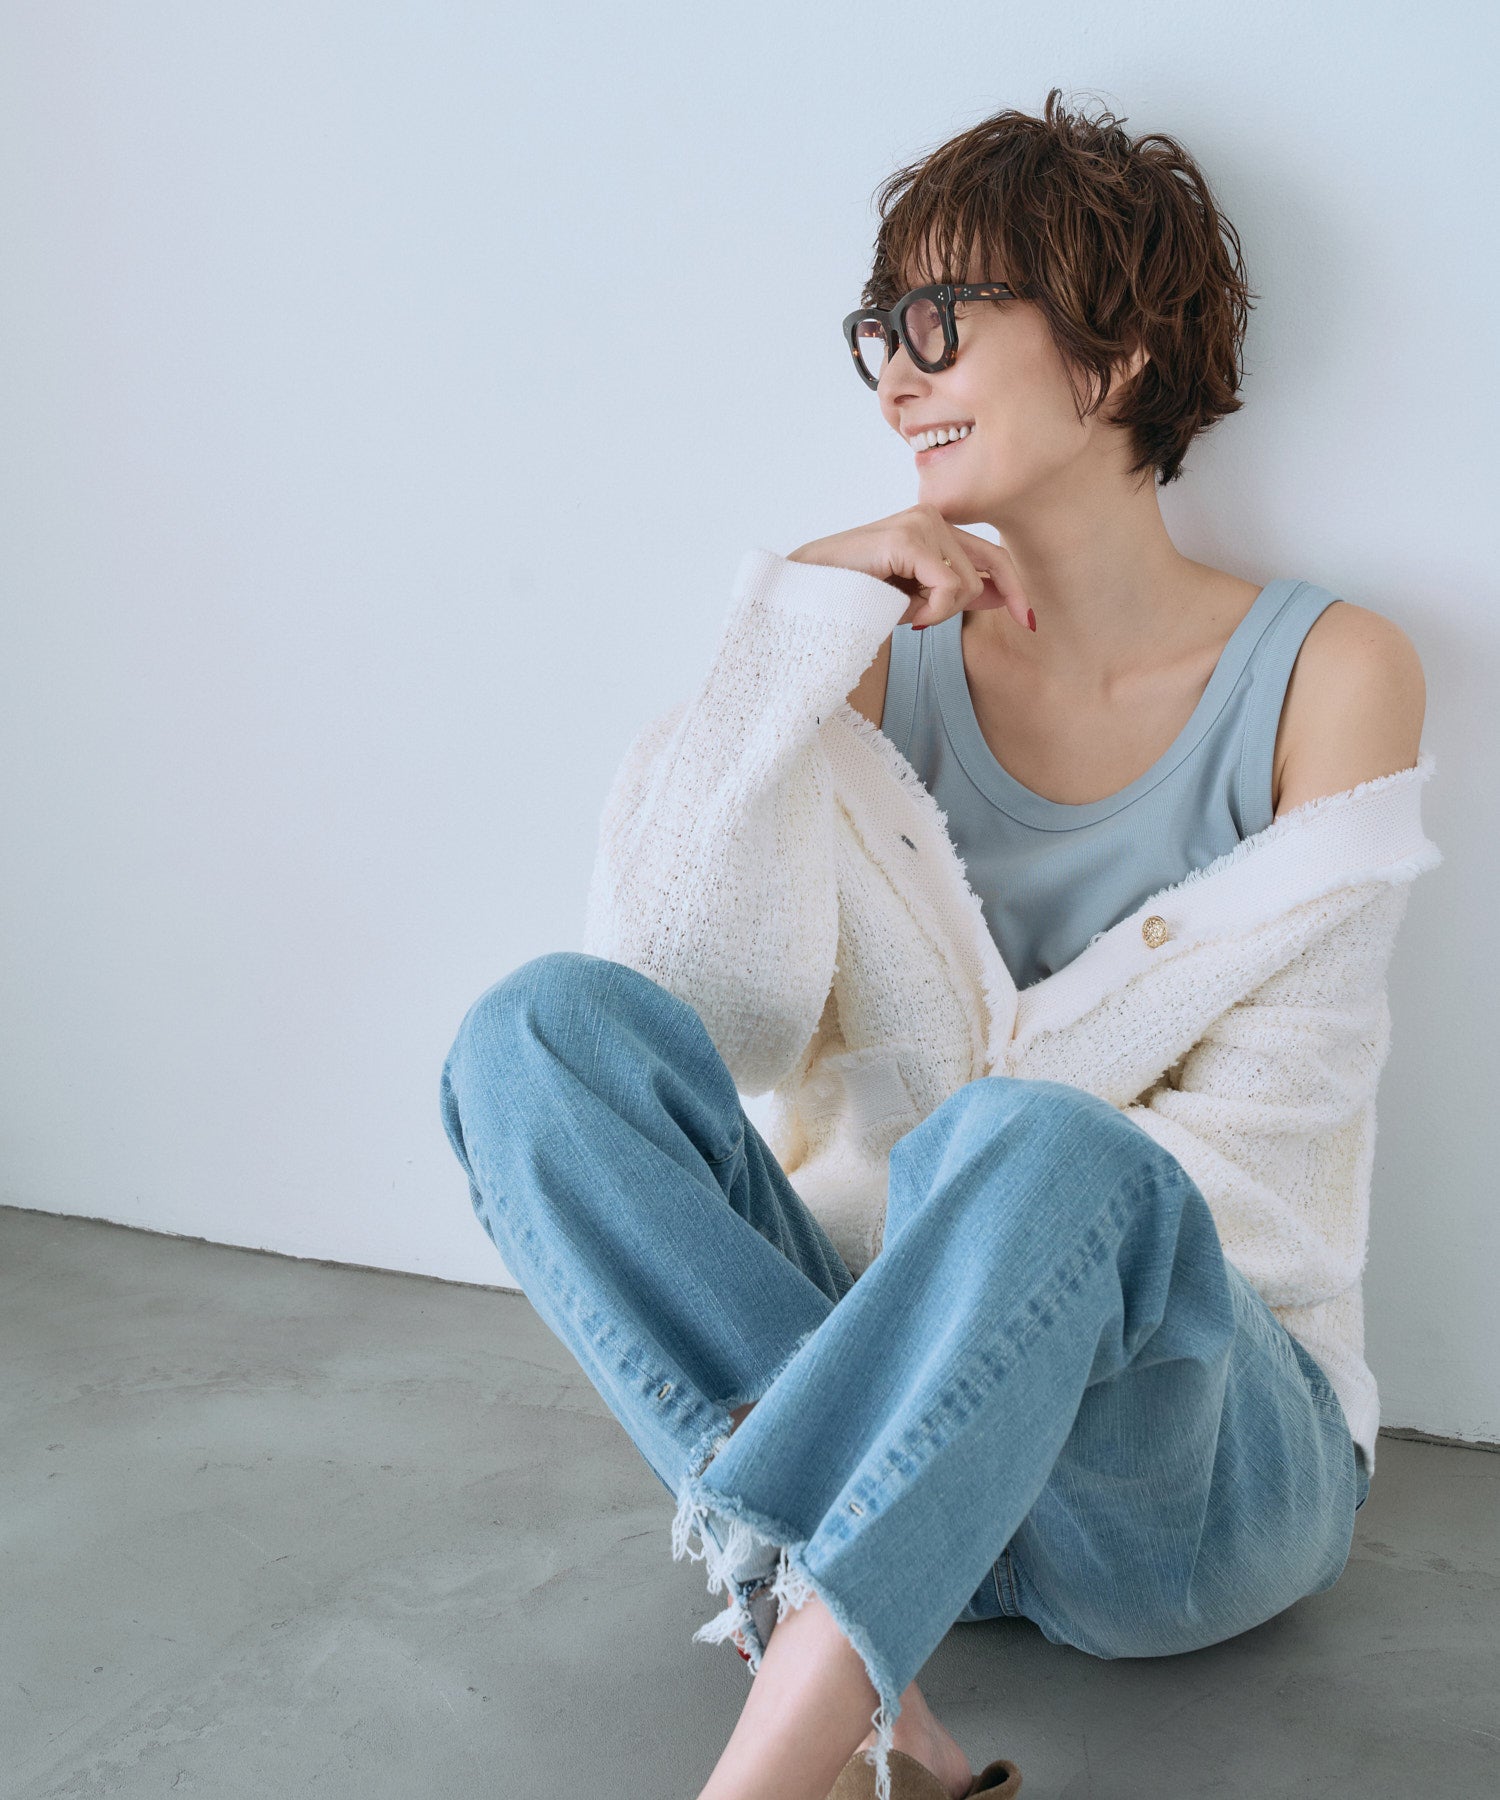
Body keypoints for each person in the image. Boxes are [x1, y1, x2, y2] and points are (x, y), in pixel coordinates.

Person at [439, 91, 1435, 1800]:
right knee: (532, 1036)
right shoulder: (876, 658)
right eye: (877, 329)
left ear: (1118, 354)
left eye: (941, 319)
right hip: (895, 1453)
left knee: (1030, 1145)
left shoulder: (1330, 673)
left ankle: (777, 1750)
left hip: (1187, 1472)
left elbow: (1267, 1165)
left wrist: (996, 1210)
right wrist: (793, 623)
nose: (894, 377)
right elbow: (686, 990)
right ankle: (872, 1682)